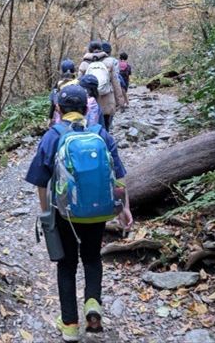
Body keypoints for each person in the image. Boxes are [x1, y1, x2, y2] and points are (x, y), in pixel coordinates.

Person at [26, 85, 133, 342]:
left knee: (67, 265)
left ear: (59, 110)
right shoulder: (101, 133)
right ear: (87, 108)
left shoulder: (53, 136)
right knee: (93, 259)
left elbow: (41, 181)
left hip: (65, 215)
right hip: (98, 213)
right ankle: (93, 304)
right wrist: (124, 208)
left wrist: (45, 214)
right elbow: (118, 177)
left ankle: (70, 325)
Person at [78, 41, 124, 131]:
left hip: (90, 101)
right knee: (106, 126)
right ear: (101, 49)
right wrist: (120, 101)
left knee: (91, 124)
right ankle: (105, 139)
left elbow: (79, 84)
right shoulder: (110, 62)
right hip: (107, 99)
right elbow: (116, 82)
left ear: (89, 50)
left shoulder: (84, 64)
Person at [48, 59, 78, 126]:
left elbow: (53, 103)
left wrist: (50, 118)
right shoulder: (79, 84)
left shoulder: (58, 85)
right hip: (78, 115)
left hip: (62, 116)